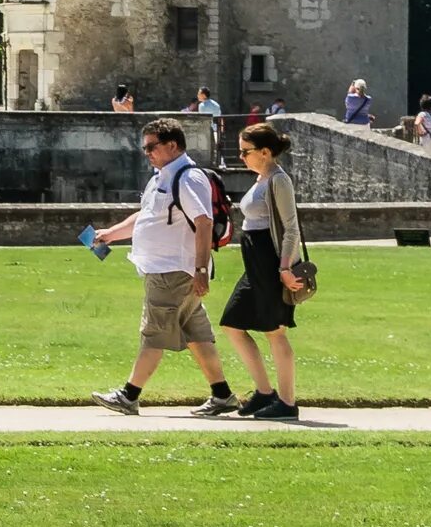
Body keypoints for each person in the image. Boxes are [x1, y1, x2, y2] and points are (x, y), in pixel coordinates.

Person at [88, 119, 240, 416]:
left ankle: (129, 395)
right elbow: (146, 216)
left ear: (172, 145)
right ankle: (222, 395)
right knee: (196, 333)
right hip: (169, 268)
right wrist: (111, 234)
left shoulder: (186, 177)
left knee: (154, 332)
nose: (147, 153)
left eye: (151, 147)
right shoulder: (163, 176)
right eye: (144, 147)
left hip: (173, 271)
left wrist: (199, 271)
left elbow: (204, 221)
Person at [218, 121, 308, 421]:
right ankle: (265, 392)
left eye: (246, 152)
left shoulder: (278, 180)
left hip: (270, 261)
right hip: (255, 261)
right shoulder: (261, 178)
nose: (241, 157)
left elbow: (291, 227)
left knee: (275, 331)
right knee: (233, 322)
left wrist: (284, 267)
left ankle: (287, 401)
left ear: (266, 152)